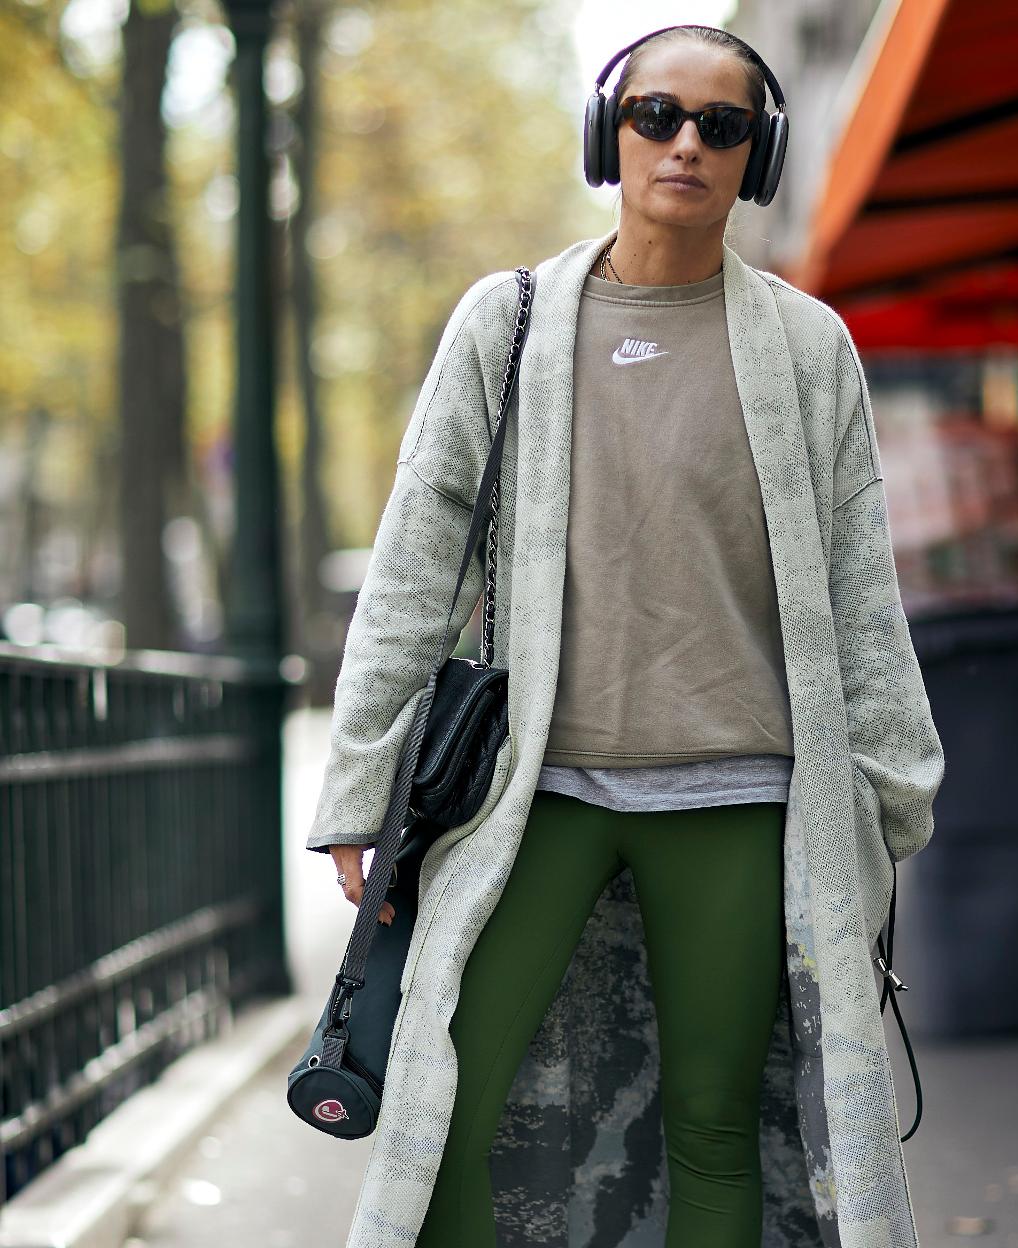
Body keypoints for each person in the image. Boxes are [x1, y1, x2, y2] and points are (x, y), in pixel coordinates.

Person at [307, 23, 943, 1248]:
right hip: (534, 794)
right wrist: (359, 795)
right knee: (440, 1107)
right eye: (658, 115)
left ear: (758, 157)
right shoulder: (508, 325)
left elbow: (863, 594)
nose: (687, 144)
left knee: (715, 1127)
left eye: (723, 125)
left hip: (740, 796)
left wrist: (885, 805)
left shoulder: (809, 350)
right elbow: (410, 576)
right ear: (610, 131)